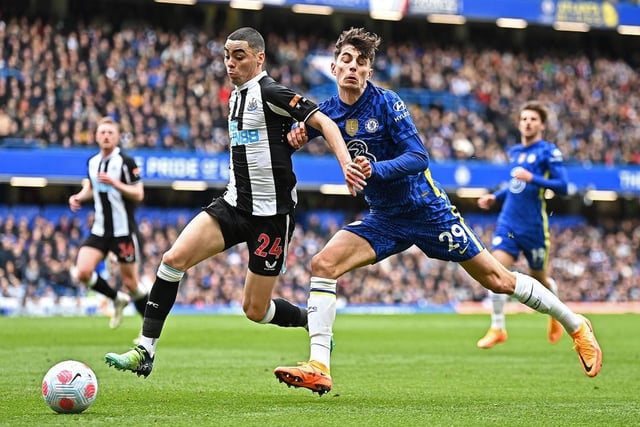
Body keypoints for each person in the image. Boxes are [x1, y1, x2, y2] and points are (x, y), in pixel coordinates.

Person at [273, 28, 602, 396]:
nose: (353, 67)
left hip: (428, 211)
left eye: (361, 62)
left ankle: (576, 325)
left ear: (369, 71)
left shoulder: (387, 103)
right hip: (384, 218)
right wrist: (296, 138)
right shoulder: (329, 111)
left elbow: (419, 157)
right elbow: (300, 132)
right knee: (323, 264)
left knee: (498, 280)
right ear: (333, 68)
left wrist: (374, 169)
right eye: (346, 61)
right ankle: (319, 365)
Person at [104, 27, 365, 377]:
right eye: (227, 55)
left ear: (259, 58)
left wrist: (346, 164)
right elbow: (271, 143)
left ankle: (309, 320)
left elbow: (324, 122)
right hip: (233, 205)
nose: (230, 62)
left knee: (255, 310)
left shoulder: (271, 91)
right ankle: (145, 349)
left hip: (272, 217)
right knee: (172, 259)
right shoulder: (234, 96)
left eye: (239, 55)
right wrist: (287, 142)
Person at [476, 101, 568, 349]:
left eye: (533, 119)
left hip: (534, 227)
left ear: (542, 125)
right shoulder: (515, 151)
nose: (527, 122)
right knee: (493, 270)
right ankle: (498, 327)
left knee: (542, 280)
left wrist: (534, 178)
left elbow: (564, 186)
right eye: (524, 119)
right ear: (519, 124)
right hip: (508, 223)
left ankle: (556, 315)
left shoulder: (548, 152)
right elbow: (515, 186)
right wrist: (495, 197)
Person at [69, 116, 149, 329]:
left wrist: (116, 183)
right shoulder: (93, 162)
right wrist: (78, 197)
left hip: (123, 231)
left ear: (117, 137)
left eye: (110, 133)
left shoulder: (126, 162)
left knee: (131, 284)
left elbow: (139, 193)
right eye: (102, 132)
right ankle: (116, 298)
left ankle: (149, 328)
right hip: (100, 230)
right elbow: (91, 187)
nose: (106, 136)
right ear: (96, 136)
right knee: (82, 272)